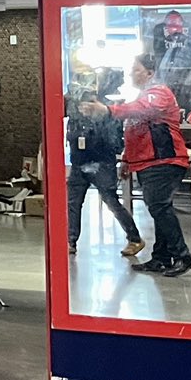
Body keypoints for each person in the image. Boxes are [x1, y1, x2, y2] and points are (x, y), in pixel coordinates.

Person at [92, 59, 191, 274]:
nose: (131, 75)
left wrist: (109, 110)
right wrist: (127, 160)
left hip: (164, 160)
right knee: (159, 208)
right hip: (152, 162)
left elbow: (143, 110)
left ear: (150, 72)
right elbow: (135, 132)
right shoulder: (144, 96)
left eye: (136, 70)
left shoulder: (158, 93)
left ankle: (182, 255)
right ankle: (161, 257)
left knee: (159, 206)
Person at [65, 92, 142, 257]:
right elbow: (70, 138)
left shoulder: (107, 118)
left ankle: (134, 238)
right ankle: (70, 241)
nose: (84, 108)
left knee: (112, 202)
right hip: (79, 165)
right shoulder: (75, 120)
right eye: (81, 105)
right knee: (73, 204)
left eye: (89, 104)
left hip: (102, 165)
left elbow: (115, 142)